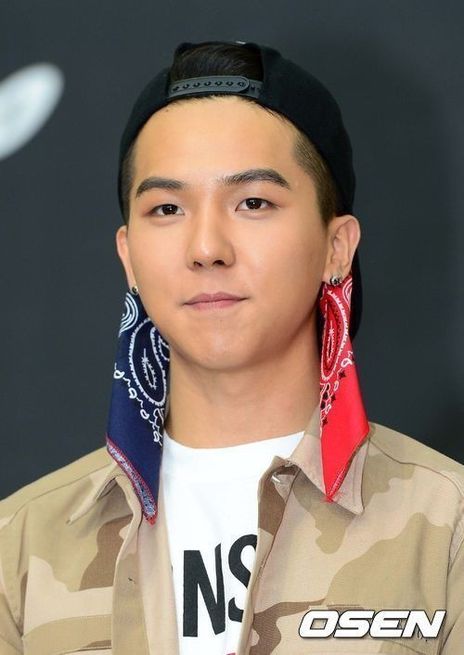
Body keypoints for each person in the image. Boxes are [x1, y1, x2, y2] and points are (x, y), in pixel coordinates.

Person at [0, 39, 462, 655]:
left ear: (337, 248)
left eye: (253, 202)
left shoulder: (448, 528)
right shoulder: (20, 546)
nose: (206, 248)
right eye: (167, 208)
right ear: (128, 257)